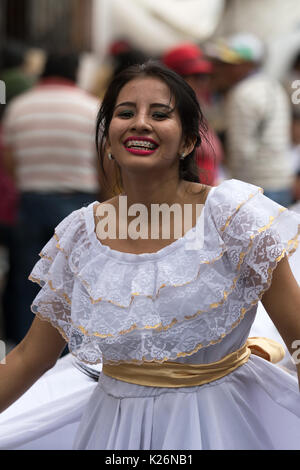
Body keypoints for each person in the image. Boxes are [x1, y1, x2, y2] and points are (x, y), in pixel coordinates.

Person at [0, 61, 300, 450]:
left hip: (219, 427)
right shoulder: (80, 234)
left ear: (189, 140)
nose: (140, 123)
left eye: (160, 114)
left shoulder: (232, 216)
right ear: (108, 138)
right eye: (125, 113)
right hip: (113, 433)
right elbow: (28, 357)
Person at [1, 52, 102, 344]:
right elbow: (102, 160)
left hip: (31, 201)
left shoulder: (20, 107)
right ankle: (70, 355)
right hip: (78, 202)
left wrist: (28, 183)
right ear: (76, 72)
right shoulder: (91, 107)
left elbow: (8, 157)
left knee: (27, 279)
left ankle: (23, 350)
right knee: (76, 281)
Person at [207, 33, 294, 207]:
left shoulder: (242, 94)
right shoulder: (272, 85)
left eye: (229, 64)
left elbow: (242, 151)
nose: (221, 69)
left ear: (249, 65)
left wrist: (233, 190)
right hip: (282, 181)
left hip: (257, 186)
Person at [162, 43, 224, 185]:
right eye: (195, 76)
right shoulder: (166, 115)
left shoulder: (196, 109)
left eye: (204, 76)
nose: (203, 82)